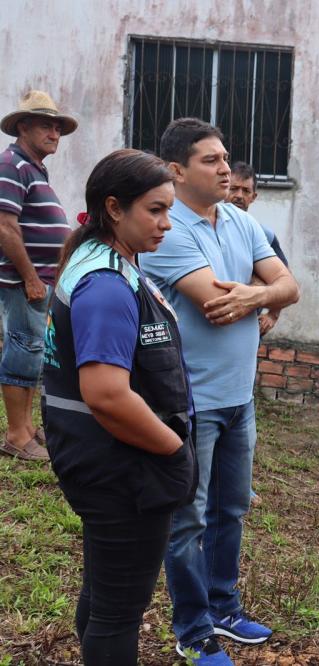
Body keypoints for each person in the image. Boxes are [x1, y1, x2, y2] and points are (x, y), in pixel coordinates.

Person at [141, 118, 299, 665]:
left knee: (230, 509)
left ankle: (224, 607)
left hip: (239, 397)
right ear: (176, 171)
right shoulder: (168, 231)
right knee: (188, 517)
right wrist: (266, 294)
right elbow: (214, 301)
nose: (226, 168)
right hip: (189, 401)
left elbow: (291, 286)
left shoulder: (238, 219)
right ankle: (193, 627)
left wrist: (257, 296)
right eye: (211, 160)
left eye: (226, 157)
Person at [42, 149, 197, 664]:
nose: (166, 224)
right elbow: (106, 394)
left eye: (169, 210)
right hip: (122, 467)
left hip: (105, 461)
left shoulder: (107, 263)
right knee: (119, 613)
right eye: (155, 210)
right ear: (114, 208)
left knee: (106, 593)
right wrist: (174, 449)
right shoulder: (105, 284)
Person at [0, 90, 76, 460]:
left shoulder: (32, 167)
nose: (54, 134)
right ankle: (16, 435)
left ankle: (27, 428)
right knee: (23, 348)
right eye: (46, 125)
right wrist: (30, 277)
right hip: (22, 281)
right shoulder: (12, 164)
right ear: (23, 126)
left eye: (58, 128)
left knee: (32, 352)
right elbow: (5, 227)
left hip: (39, 280)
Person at [225, 161, 287, 336]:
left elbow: (284, 280)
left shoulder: (264, 235)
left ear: (254, 197)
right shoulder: (206, 227)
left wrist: (273, 315)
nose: (239, 195)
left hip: (247, 330)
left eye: (246, 191)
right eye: (233, 188)